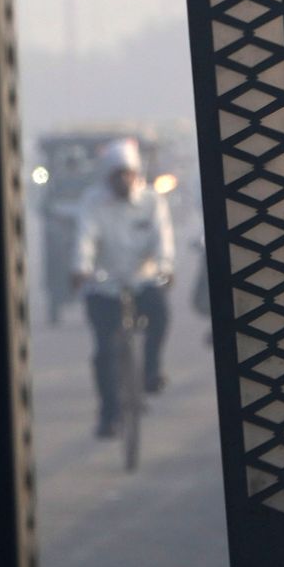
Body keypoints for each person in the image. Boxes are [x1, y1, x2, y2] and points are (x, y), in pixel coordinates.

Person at [73, 140, 177, 437]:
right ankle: (109, 415)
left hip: (142, 279)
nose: (123, 180)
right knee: (103, 351)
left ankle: (151, 371)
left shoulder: (151, 201)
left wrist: (165, 267)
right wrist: (81, 267)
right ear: (108, 176)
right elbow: (85, 238)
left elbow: (163, 239)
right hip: (104, 285)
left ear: (135, 174)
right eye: (117, 174)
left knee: (160, 314)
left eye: (128, 174)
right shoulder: (92, 202)